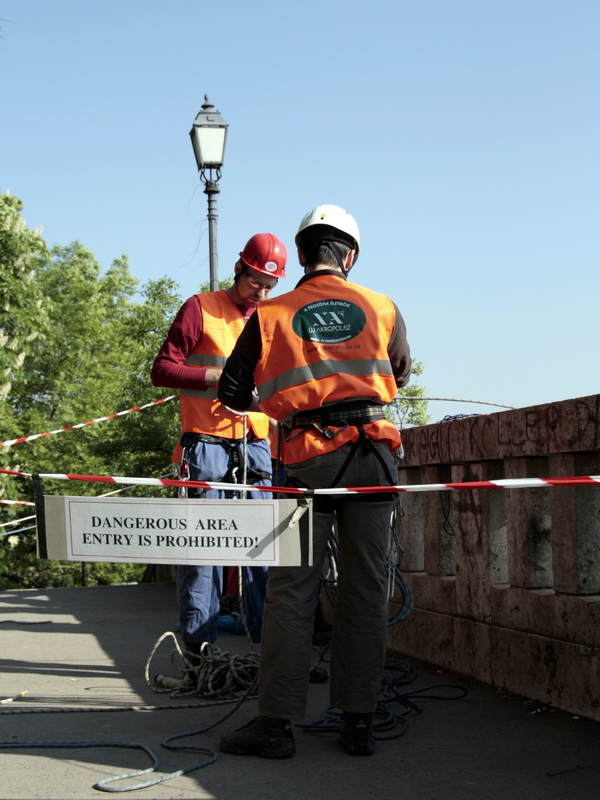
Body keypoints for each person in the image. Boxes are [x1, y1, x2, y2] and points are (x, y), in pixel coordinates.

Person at [217, 205, 412, 758]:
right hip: (374, 455)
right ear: (349, 256)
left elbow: (232, 393)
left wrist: (276, 404)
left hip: (306, 459)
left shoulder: (270, 314)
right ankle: (359, 724)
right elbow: (400, 371)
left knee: (291, 594)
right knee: (366, 589)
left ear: (301, 256)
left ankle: (275, 727)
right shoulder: (383, 306)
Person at [151, 233, 287, 650]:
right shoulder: (201, 309)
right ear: (238, 269)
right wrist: (216, 378)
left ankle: (275, 662)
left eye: (269, 286)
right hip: (206, 444)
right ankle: (198, 654)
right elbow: (162, 370)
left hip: (256, 445)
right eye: (255, 283)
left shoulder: (273, 318)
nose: (261, 293)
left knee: (265, 552)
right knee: (202, 553)